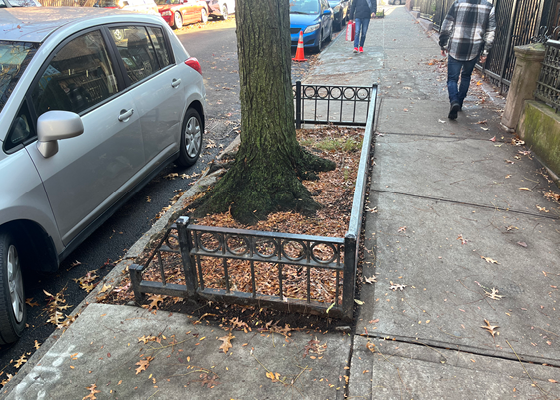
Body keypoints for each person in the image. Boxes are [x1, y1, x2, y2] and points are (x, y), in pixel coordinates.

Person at [439, 0, 496, 120]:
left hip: (456, 46)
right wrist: (485, 51)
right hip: (474, 48)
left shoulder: (457, 4)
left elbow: (447, 24)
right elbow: (490, 31)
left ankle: (454, 100)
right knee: (466, 76)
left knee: (452, 79)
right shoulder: (488, 7)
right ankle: (459, 103)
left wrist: (443, 43)